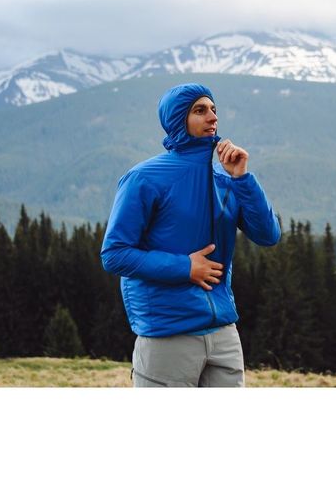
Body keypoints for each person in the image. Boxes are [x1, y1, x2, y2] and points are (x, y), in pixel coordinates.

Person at [100, 82, 281, 387]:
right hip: (167, 332)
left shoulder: (225, 180)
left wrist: (242, 178)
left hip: (223, 332)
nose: (213, 117)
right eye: (200, 110)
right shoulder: (143, 178)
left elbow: (268, 235)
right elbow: (114, 254)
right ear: (177, 119)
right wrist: (186, 267)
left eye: (214, 109)